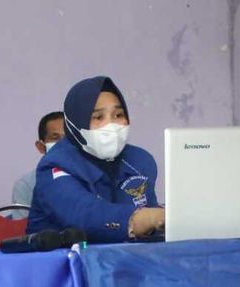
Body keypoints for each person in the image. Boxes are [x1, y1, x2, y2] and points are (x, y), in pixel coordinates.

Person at [27, 76, 164, 243]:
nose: (111, 125)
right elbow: (83, 215)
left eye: (118, 114)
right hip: (63, 264)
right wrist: (142, 219)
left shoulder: (140, 160)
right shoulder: (55, 164)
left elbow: (155, 227)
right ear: (75, 123)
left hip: (128, 262)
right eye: (98, 117)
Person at [11, 111, 65, 207]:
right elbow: (25, 222)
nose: (63, 143)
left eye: (69, 138)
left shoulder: (96, 177)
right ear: (41, 146)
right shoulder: (26, 185)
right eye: (55, 137)